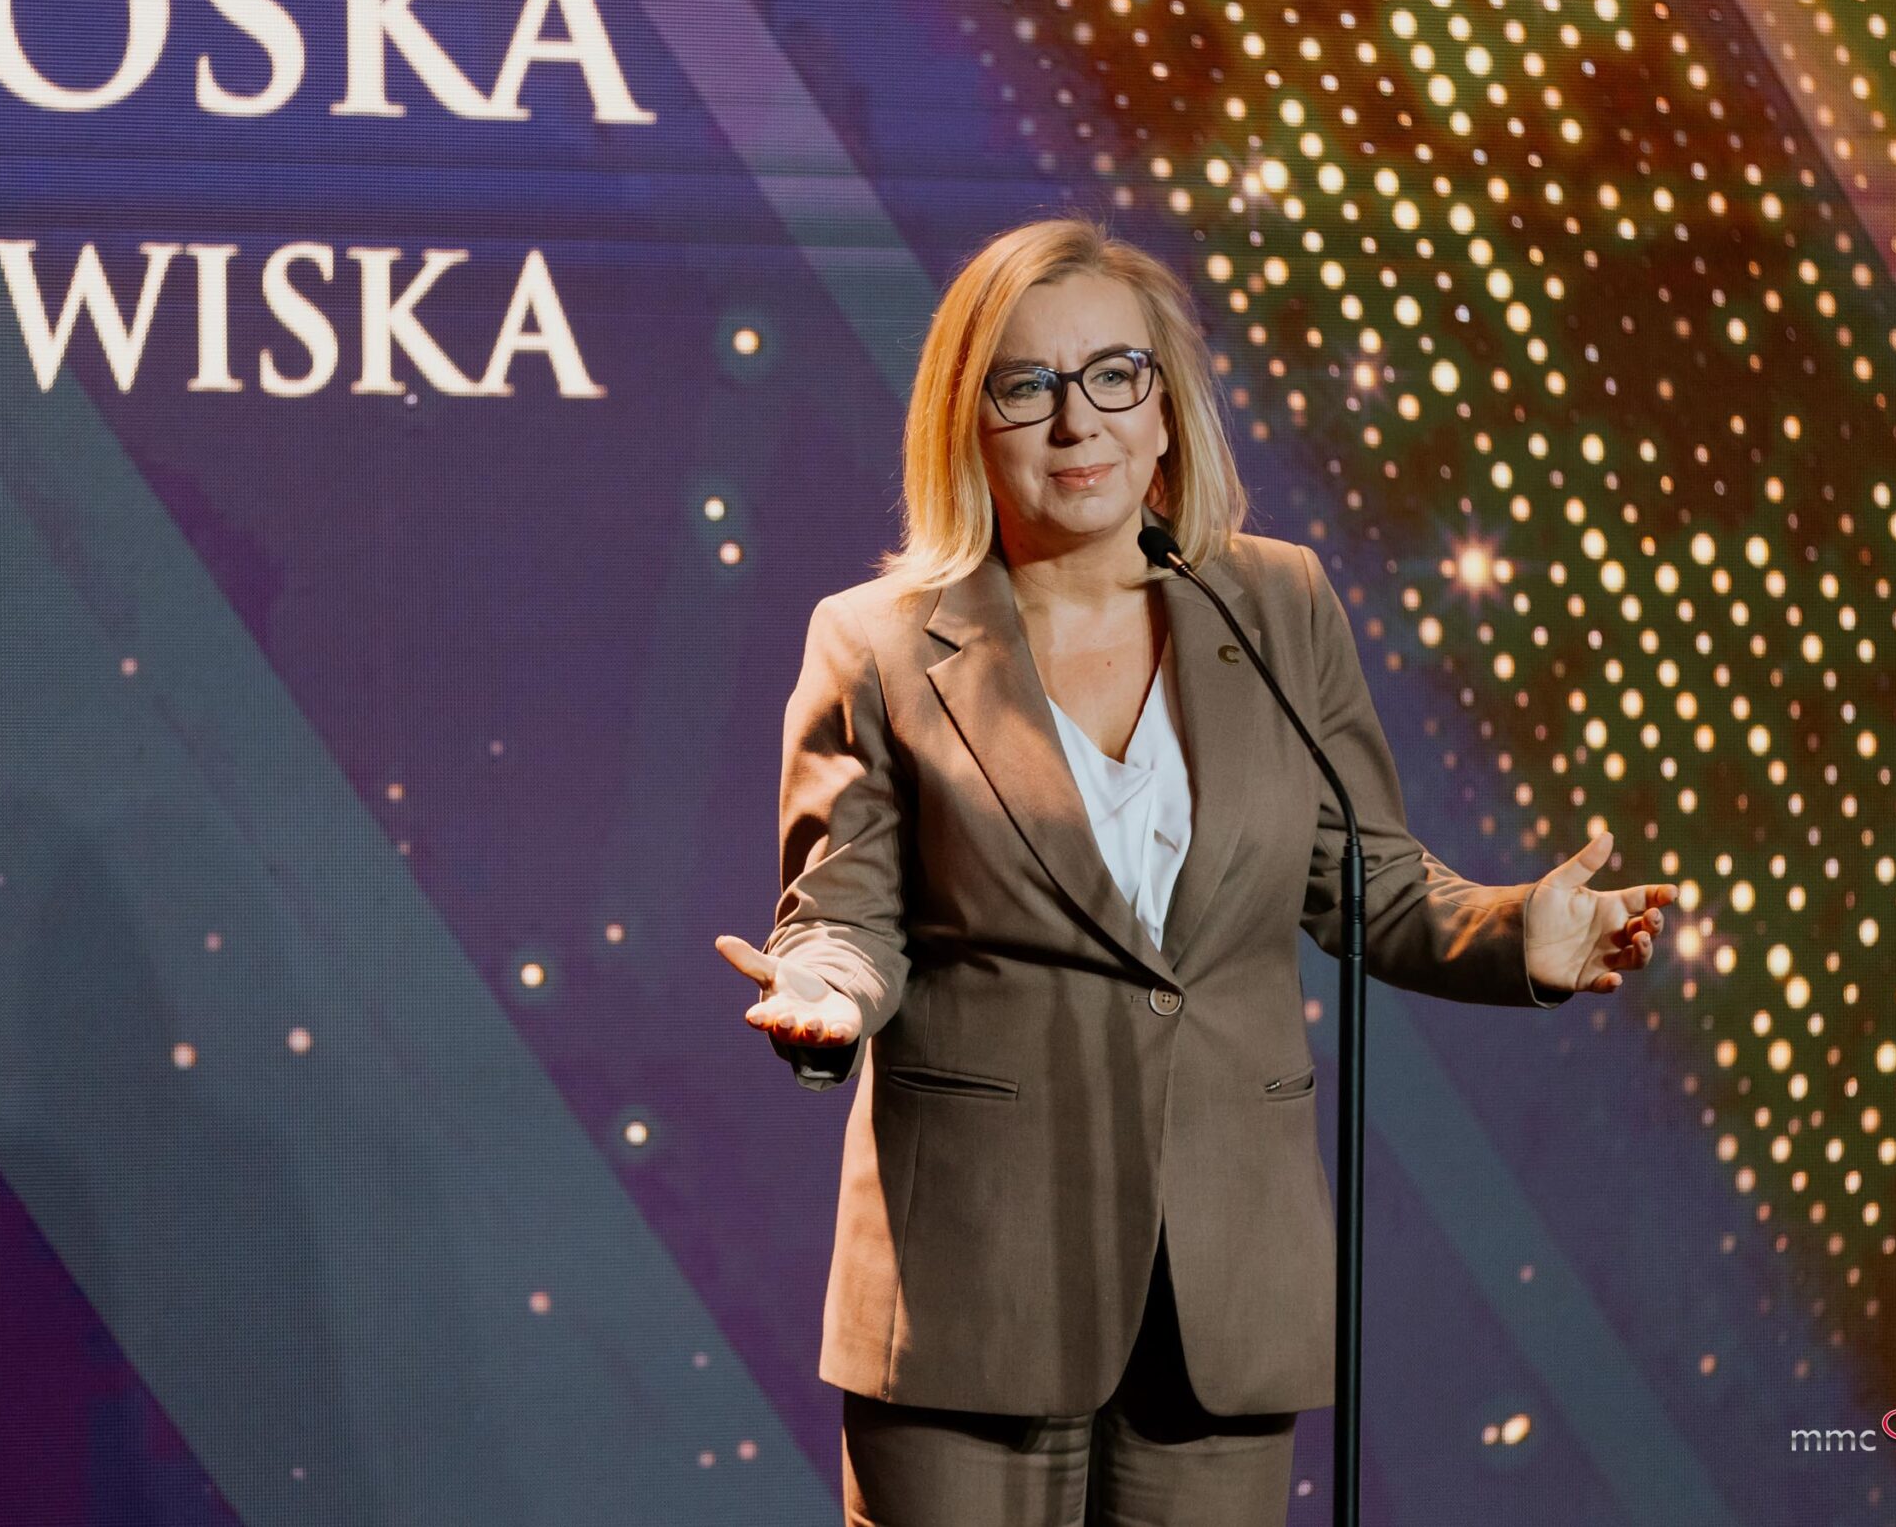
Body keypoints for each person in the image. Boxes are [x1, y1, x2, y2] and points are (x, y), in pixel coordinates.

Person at [715, 216, 1672, 1526]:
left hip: (1223, 1282)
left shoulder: (1278, 604)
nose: (1079, 422)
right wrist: (823, 992)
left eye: (1115, 375)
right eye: (1026, 385)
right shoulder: (874, 643)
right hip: (973, 1283)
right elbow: (843, 914)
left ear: (1167, 409)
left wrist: (1518, 935)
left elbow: (1365, 878)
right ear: (965, 422)